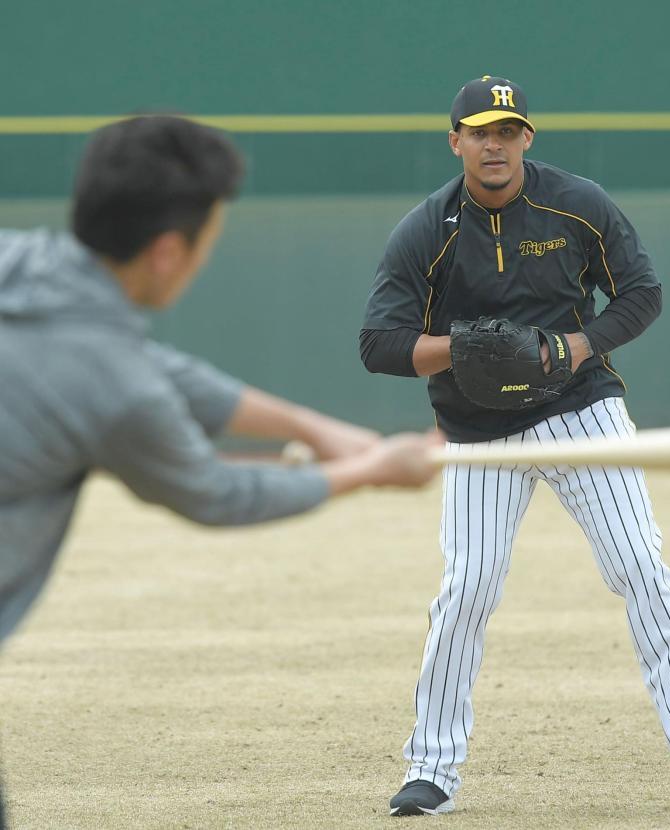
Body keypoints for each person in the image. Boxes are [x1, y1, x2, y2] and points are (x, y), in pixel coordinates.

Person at [0, 115, 441, 826]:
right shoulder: (119, 392)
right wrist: (370, 472)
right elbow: (216, 491)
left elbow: (153, 368)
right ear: (170, 252)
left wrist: (316, 430)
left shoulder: (20, 263)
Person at [360, 76, 670, 817]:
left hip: (580, 410)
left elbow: (642, 292)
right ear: (455, 143)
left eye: (507, 131)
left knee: (640, 566)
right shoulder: (426, 229)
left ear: (526, 140)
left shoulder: (577, 204)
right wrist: (462, 349)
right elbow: (379, 344)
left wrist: (577, 347)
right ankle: (433, 770)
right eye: (479, 131)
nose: (494, 144)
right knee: (467, 591)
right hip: (478, 431)